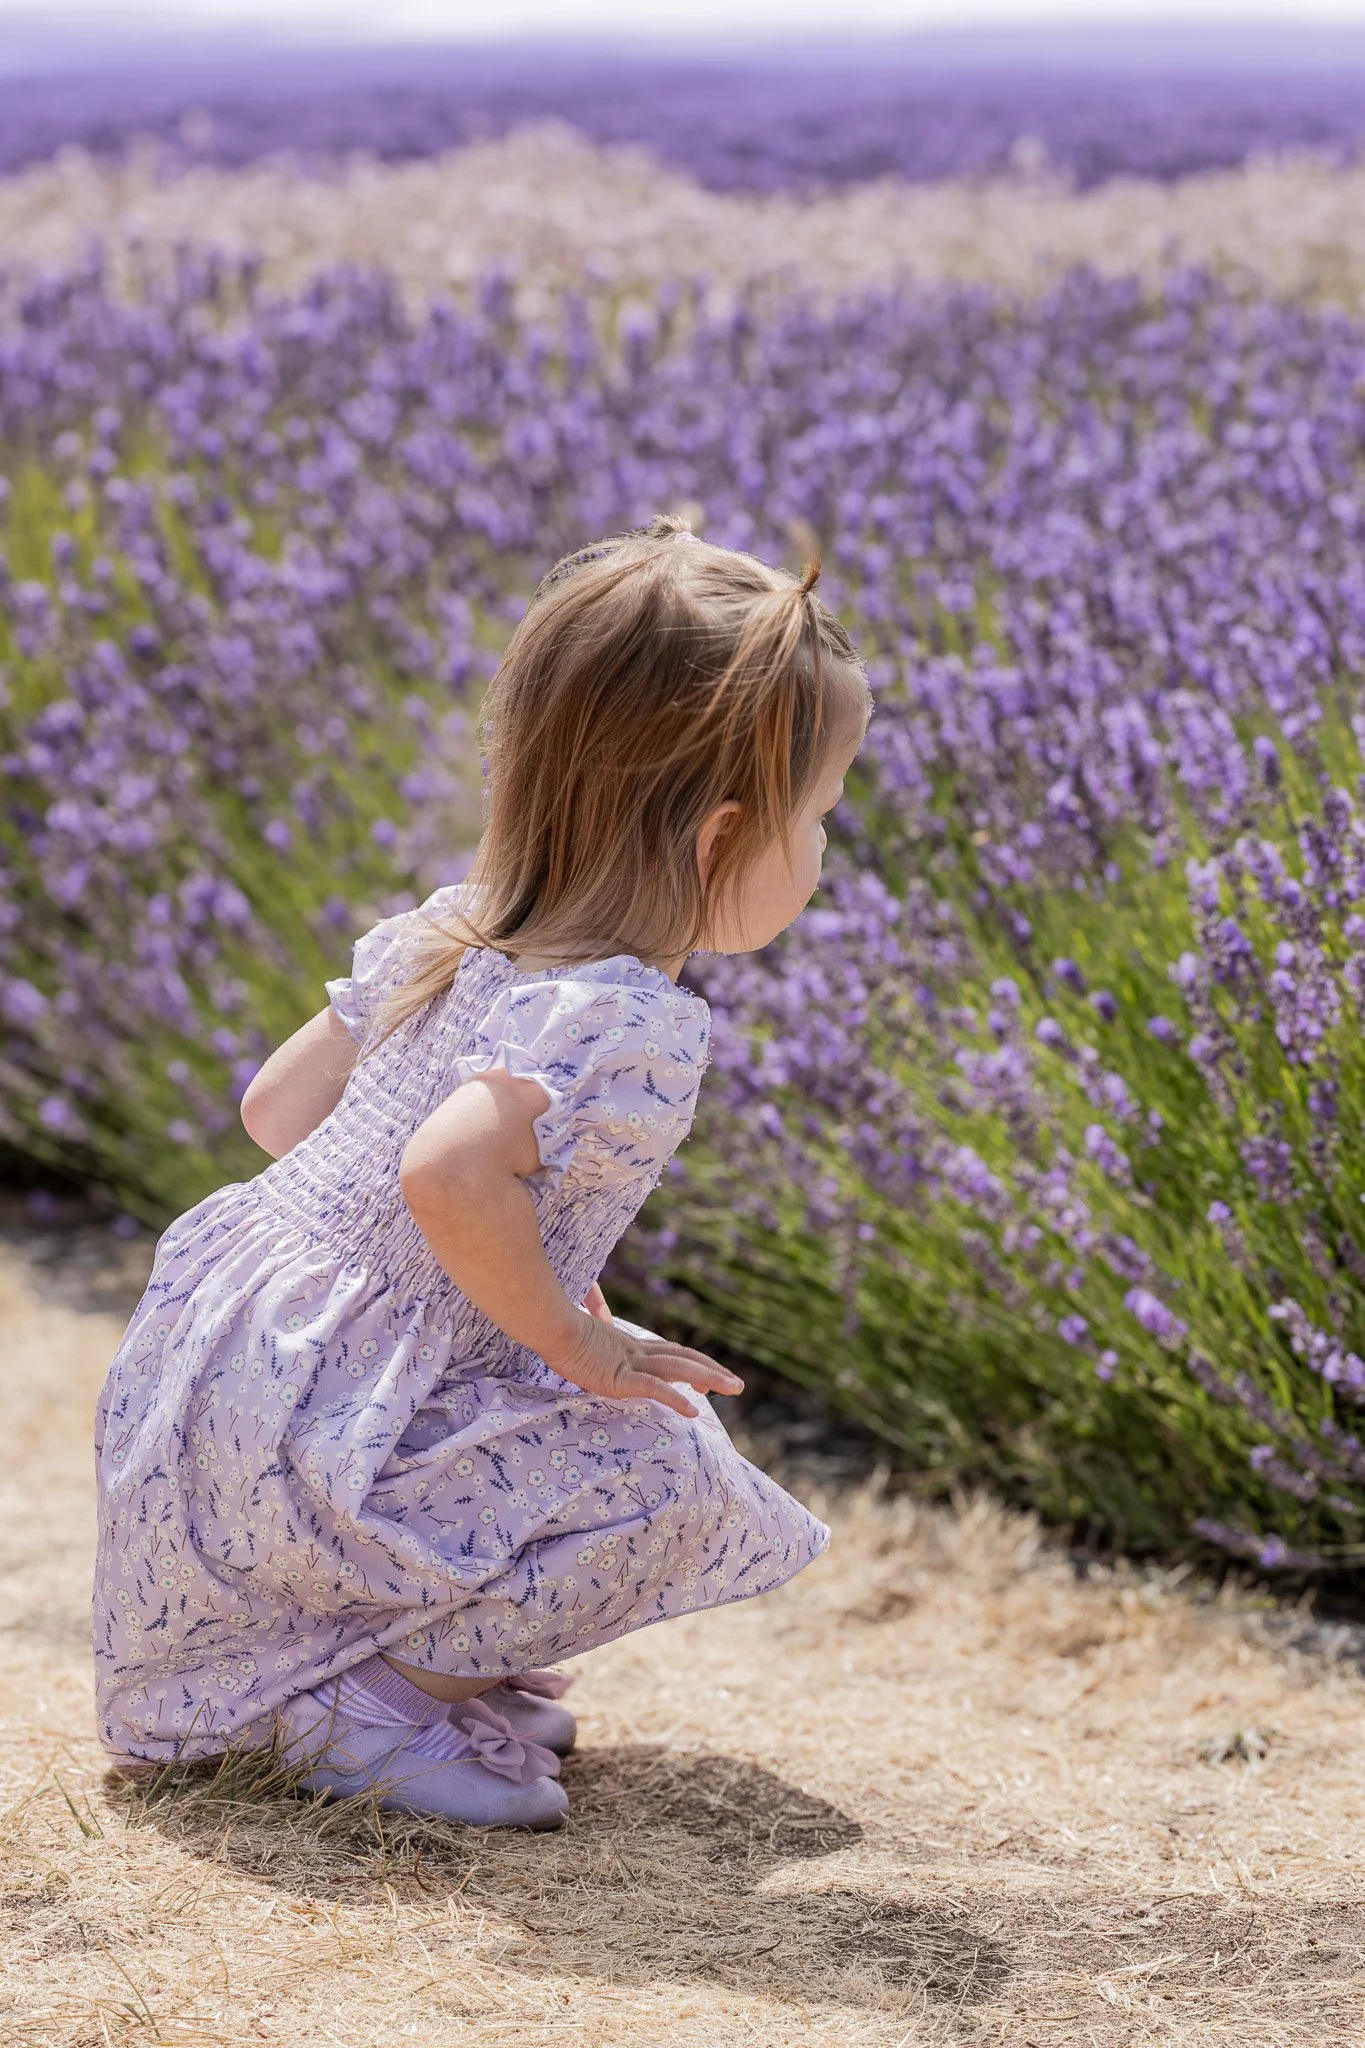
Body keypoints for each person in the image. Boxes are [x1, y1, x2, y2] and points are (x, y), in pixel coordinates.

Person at [92, 515, 873, 1831]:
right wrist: (565, 1335)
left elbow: (277, 1111)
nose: (826, 852)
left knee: (544, 1413)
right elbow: (449, 1177)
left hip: (220, 1354)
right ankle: (371, 1703)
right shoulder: (629, 1016)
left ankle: (389, 1667)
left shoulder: (451, 928)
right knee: (656, 1462)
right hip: (318, 1419)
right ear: (718, 838)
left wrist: (445, 1307)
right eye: (821, 817)